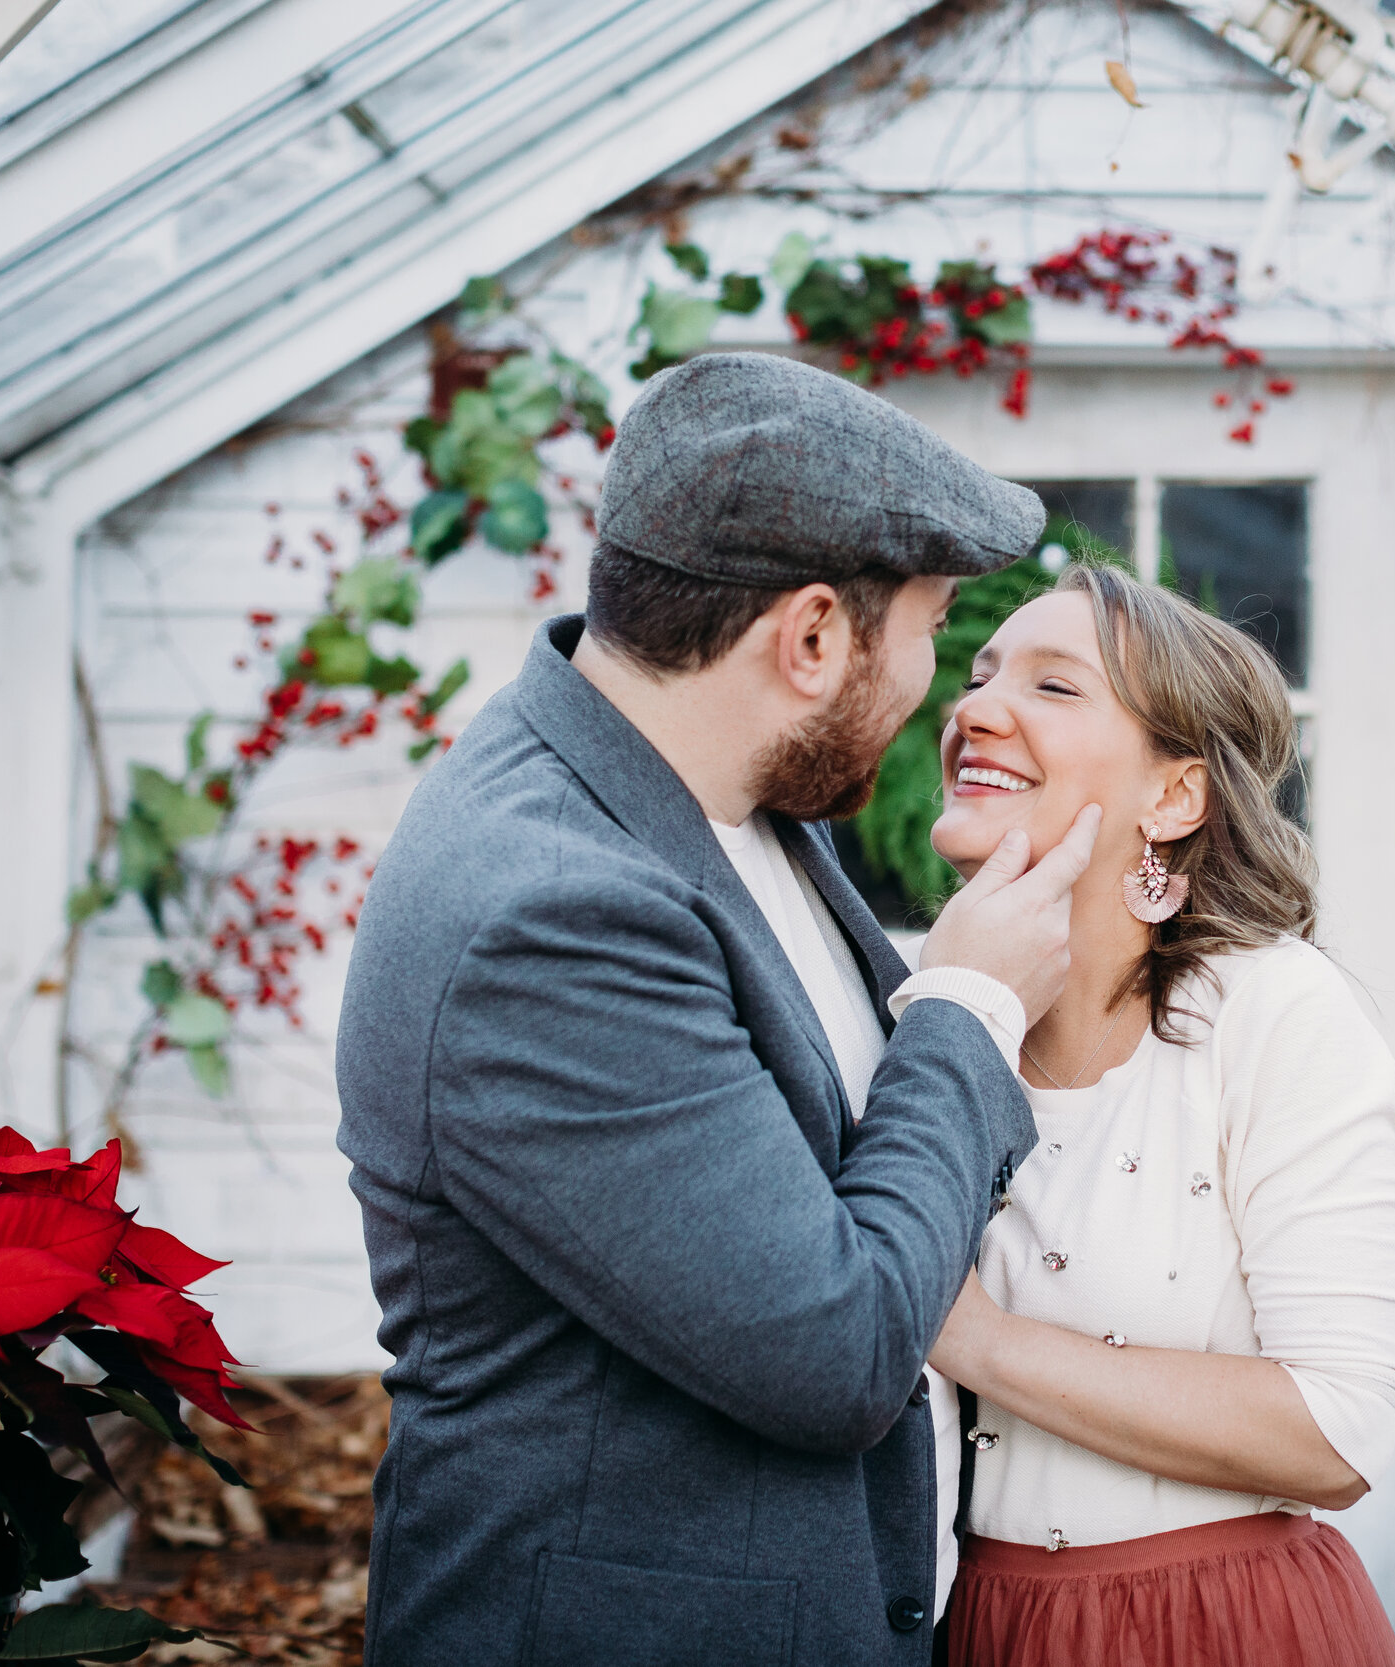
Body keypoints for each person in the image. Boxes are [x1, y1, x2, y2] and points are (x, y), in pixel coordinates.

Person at [334, 352, 1101, 1667]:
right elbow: (836, 1348)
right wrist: (967, 1003)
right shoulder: (552, 911)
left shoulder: (705, 794)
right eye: (927, 630)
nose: (940, 688)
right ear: (809, 638)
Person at [925, 562, 1395, 1667]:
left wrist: (973, 1336)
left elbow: (1337, 1428)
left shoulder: (1273, 1008)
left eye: (1054, 689)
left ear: (1174, 795)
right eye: (979, 672)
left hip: (1220, 1626)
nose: (974, 710)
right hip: (977, 1628)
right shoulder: (922, 1010)